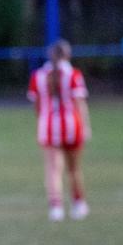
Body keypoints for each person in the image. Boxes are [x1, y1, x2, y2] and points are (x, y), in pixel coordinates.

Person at [27, 39, 92, 222]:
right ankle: (79, 204)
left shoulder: (38, 75)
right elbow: (80, 103)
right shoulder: (73, 74)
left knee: (53, 169)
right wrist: (86, 126)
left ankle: (56, 208)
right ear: (67, 55)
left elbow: (37, 105)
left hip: (48, 127)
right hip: (73, 127)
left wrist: (43, 120)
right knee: (74, 169)